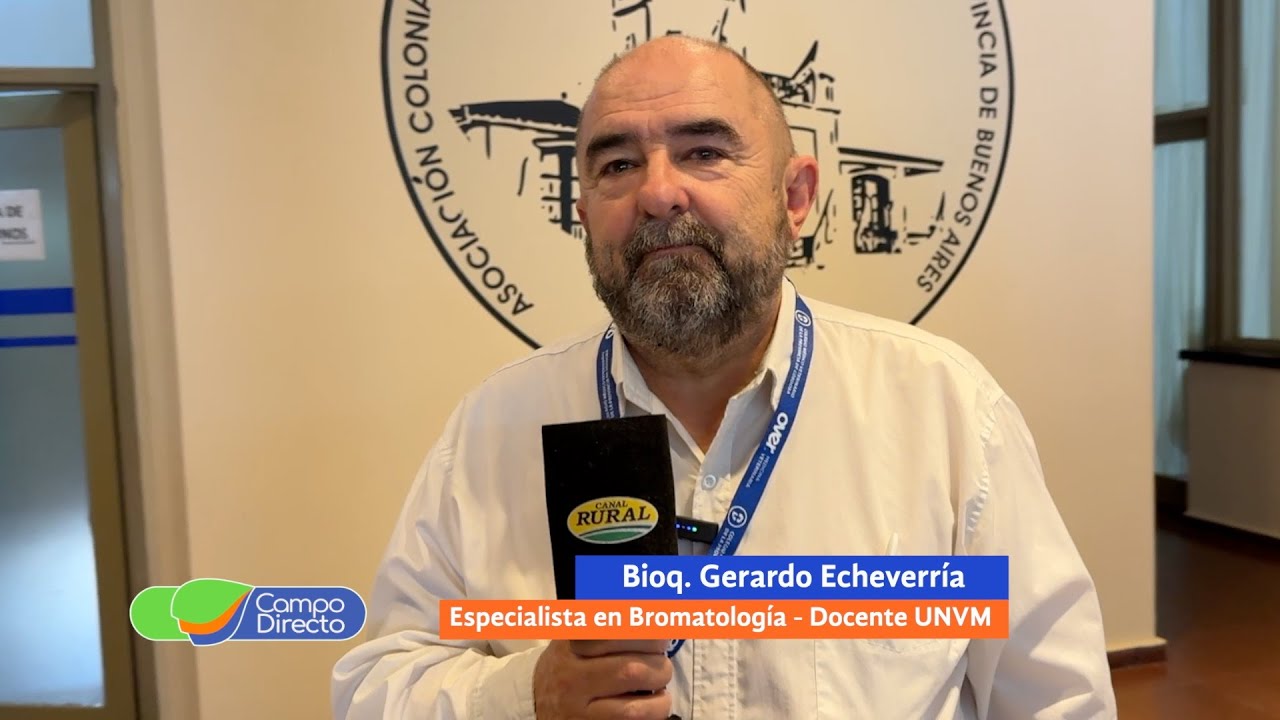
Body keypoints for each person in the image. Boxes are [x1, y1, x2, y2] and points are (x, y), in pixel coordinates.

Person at [332, 36, 1117, 719]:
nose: (657, 192)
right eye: (617, 163)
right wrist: (524, 696)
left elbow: (1059, 702)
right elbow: (374, 685)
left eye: (704, 152)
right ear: (584, 214)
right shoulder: (495, 428)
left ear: (795, 196)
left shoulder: (948, 413)